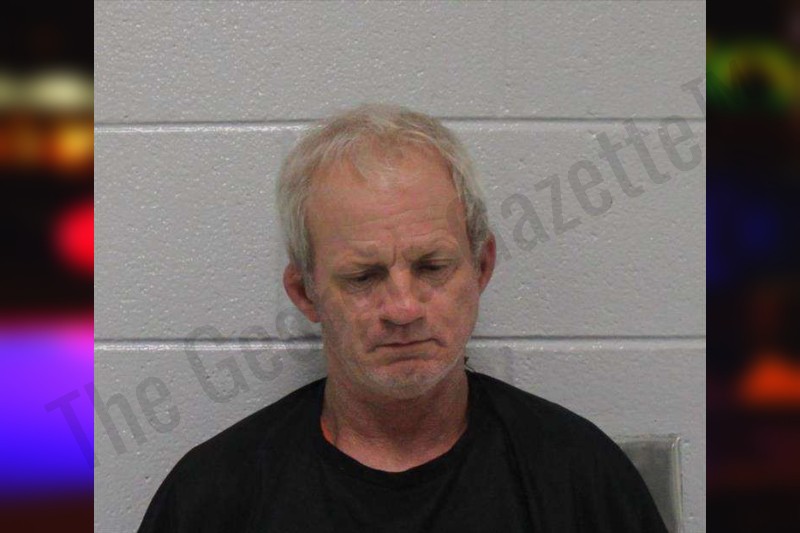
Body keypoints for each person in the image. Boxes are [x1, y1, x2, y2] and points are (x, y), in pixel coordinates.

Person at [138, 104, 668, 532]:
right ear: (305, 293)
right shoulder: (214, 499)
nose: (403, 309)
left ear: (481, 267)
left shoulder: (580, 479)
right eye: (363, 277)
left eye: (432, 267)